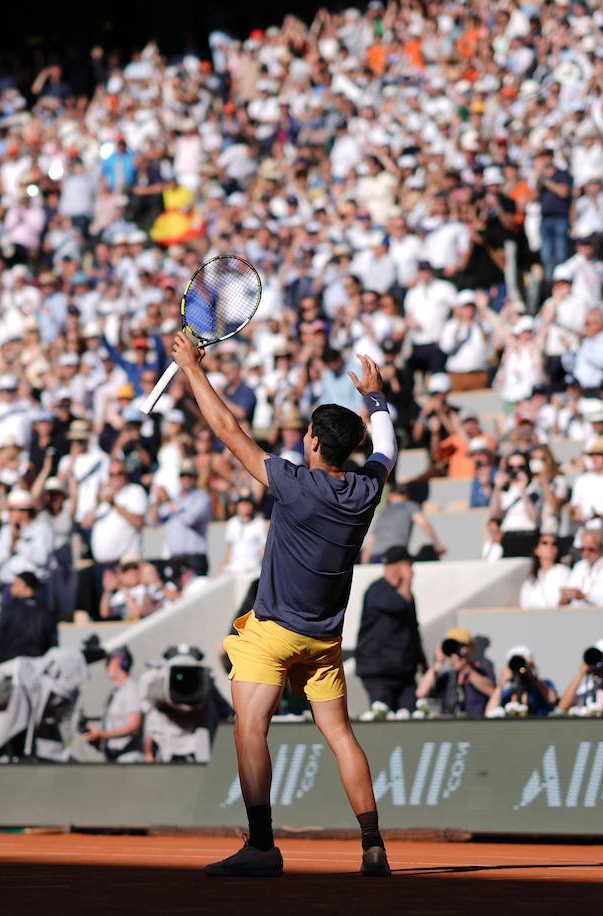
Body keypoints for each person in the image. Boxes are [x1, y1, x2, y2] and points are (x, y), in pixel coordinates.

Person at [170, 332, 396, 879]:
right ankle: (372, 846)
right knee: (340, 734)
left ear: (315, 443)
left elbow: (228, 431)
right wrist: (376, 399)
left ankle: (263, 846)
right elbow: (387, 447)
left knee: (250, 730)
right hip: (324, 641)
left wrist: (191, 369)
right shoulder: (367, 488)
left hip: (273, 633)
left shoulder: (296, 486)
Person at [354, 547, 426, 713]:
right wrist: (407, 582)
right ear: (399, 566)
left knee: (409, 714)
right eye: (409, 565)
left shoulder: (407, 595)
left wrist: (423, 663)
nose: (412, 571)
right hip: (379, 671)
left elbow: (413, 628)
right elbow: (399, 604)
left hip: (404, 671)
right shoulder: (377, 591)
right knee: (383, 714)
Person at [416, 628, 496, 719]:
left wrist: (465, 669)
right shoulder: (446, 675)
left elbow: (492, 691)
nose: (455, 650)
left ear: (470, 648)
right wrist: (437, 663)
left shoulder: (482, 670)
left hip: (476, 723)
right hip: (448, 725)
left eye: (460, 645)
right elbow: (421, 693)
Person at [82, 646, 145, 762]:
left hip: (128, 760)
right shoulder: (117, 692)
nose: (107, 666)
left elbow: (134, 726)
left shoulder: (130, 690)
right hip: (115, 759)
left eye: (108, 662)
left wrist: (102, 734)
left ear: (117, 662)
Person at [362, 484, 446, 563]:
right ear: (406, 495)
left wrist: (365, 564)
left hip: (376, 557)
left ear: (391, 496)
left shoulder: (382, 512)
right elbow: (424, 524)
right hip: (396, 556)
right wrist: (437, 545)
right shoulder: (410, 505)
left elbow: (370, 540)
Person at [0, 571, 57, 665]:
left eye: (14, 584)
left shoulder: (9, 610)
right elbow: (53, 647)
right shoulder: (47, 612)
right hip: (37, 667)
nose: (11, 587)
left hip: (9, 666)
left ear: (24, 585)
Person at [485, 646, 558, 717]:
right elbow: (489, 713)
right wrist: (502, 683)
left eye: (522, 663)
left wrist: (533, 676)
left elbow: (552, 699)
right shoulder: (508, 692)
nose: (519, 667)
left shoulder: (545, 684)